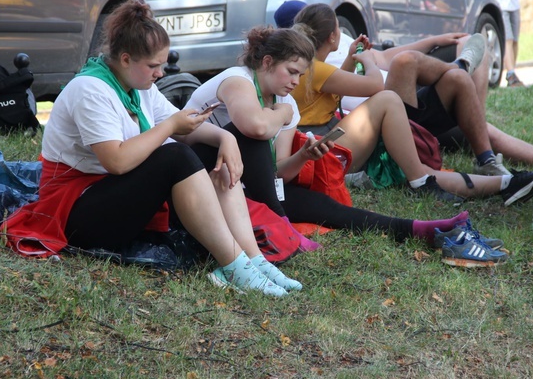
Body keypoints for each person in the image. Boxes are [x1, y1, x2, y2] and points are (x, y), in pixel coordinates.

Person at [0, 1, 302, 297]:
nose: (160, 73)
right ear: (126, 59)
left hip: (115, 196)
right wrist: (170, 128)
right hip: (75, 211)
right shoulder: (89, 89)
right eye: (153, 66)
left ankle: (253, 259)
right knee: (176, 157)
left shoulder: (141, 87)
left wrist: (226, 140)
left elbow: (184, 124)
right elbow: (117, 160)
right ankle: (235, 267)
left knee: (210, 155)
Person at [185, 25, 509, 267]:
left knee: (334, 212)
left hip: (249, 187)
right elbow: (254, 127)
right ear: (267, 61)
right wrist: (282, 113)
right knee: (254, 136)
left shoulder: (285, 102)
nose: (296, 82)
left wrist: (301, 156)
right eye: (291, 72)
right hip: (199, 175)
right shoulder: (238, 79)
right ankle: (283, 227)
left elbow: (274, 174)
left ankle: (424, 229)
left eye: (301, 75)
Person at [274, 0, 533, 176]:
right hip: (393, 123)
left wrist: (435, 41)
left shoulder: (328, 60)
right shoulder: (313, 68)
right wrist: (365, 60)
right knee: (412, 64)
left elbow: (383, 57)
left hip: (406, 112)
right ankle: (463, 82)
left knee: (444, 68)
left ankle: (466, 88)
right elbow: (372, 80)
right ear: (331, 34)